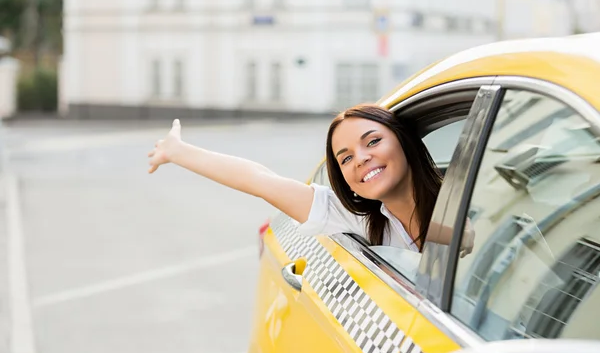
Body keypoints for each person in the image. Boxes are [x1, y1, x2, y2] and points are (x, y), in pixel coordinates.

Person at [148, 104, 473, 256]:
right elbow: (259, 180)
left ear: (404, 142)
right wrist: (178, 152)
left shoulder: (466, 203)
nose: (360, 158)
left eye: (372, 141)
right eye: (345, 158)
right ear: (344, 178)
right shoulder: (355, 218)